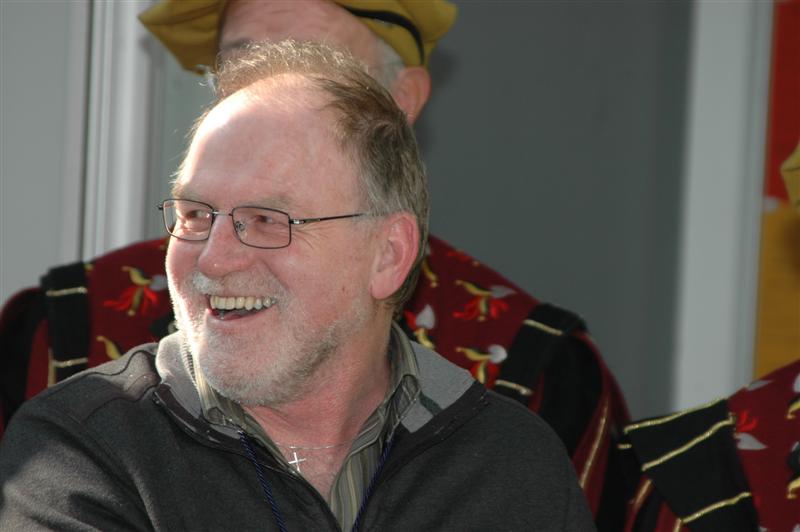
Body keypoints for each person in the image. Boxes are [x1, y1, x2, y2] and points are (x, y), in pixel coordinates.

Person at [0, 0, 628, 527]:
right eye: (193, 214)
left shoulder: (526, 411)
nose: (215, 259)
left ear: (391, 253)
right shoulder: (72, 406)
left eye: (271, 219)